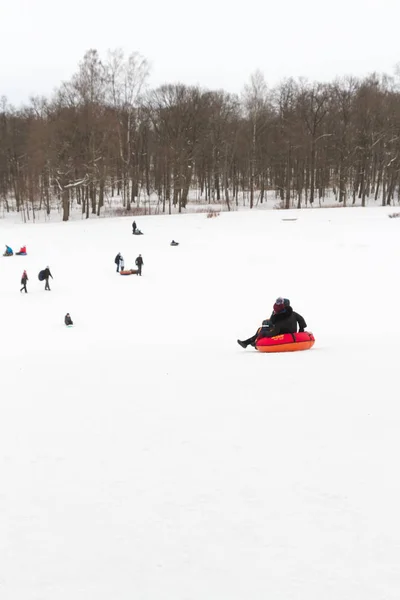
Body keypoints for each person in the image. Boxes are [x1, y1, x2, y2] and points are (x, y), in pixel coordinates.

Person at [237, 297, 307, 349]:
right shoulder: (292, 313)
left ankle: (254, 342)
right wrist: (301, 329)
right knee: (263, 328)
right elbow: (301, 319)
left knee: (263, 330)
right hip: (288, 330)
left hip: (284, 333)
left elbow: (275, 331)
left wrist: (265, 334)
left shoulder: (280, 319)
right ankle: (249, 342)